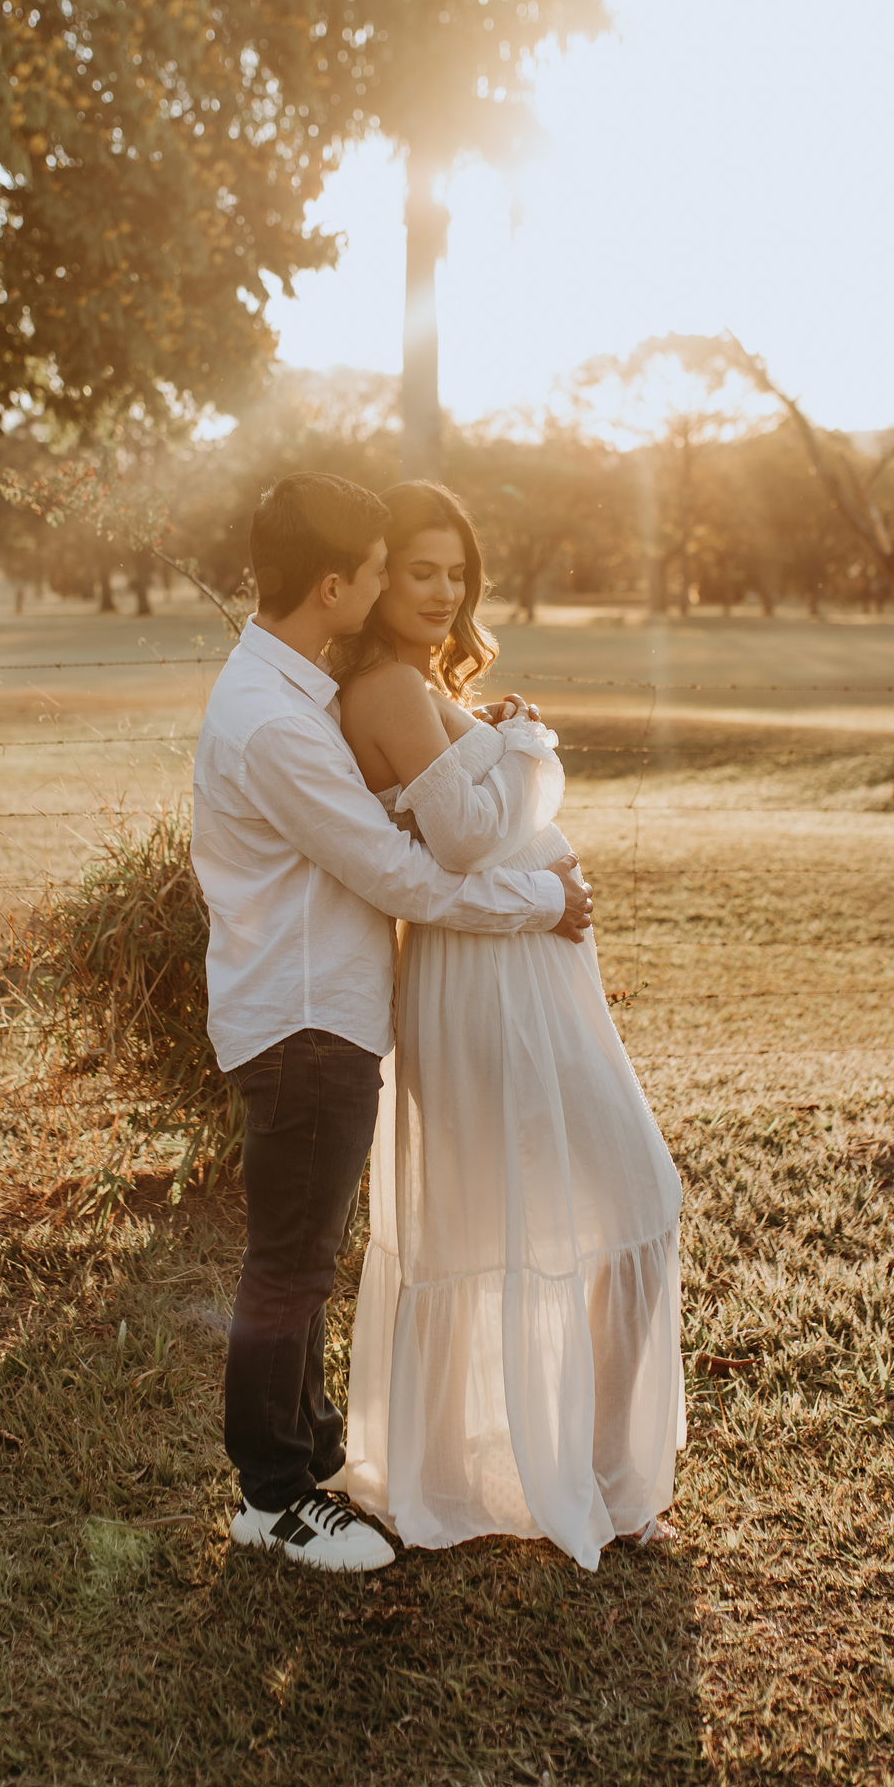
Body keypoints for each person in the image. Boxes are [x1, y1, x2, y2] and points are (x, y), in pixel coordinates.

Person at [189, 472, 595, 1575]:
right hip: (302, 1020)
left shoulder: (294, 690)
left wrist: (473, 739)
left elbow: (386, 800)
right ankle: (273, 1499)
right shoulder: (274, 723)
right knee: (291, 1261)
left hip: (320, 1012)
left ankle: (313, 1458)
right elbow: (396, 873)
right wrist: (539, 901)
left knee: (307, 1255)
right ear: (333, 585)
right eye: (377, 572)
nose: (386, 590)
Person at [334, 482, 685, 1572]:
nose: (443, 591)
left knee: (534, 1210)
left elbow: (463, 813)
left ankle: (571, 1471)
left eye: (457, 572)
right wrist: (526, 741)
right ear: (376, 577)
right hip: (488, 975)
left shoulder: (421, 683)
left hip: (516, 967)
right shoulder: (389, 685)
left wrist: (489, 733)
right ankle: (601, 1481)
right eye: (420, 570)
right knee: (632, 1191)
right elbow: (464, 838)